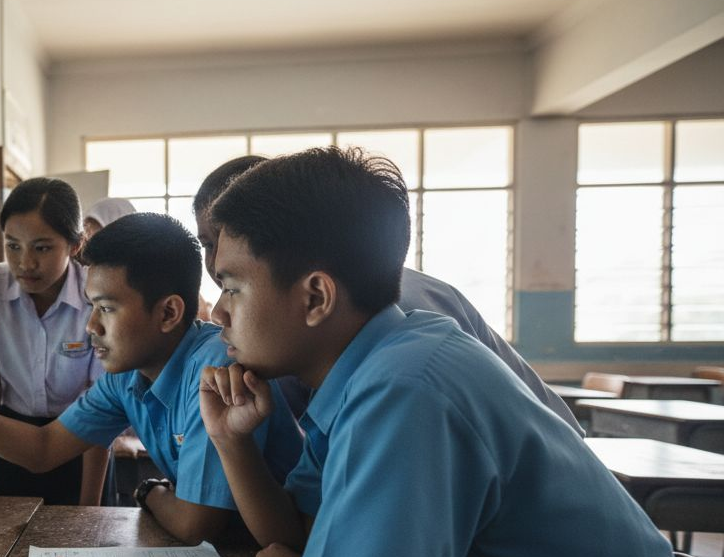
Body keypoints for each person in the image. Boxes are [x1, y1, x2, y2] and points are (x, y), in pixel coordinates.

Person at [199, 147, 724, 557]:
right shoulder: (370, 369)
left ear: (316, 297)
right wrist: (233, 441)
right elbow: (295, 534)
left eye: (232, 287)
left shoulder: (408, 389)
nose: (218, 315)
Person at [0, 212, 304, 544]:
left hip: (275, 554)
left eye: (106, 308)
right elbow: (44, 448)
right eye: (89, 306)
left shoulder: (212, 368)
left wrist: (149, 493)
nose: (90, 327)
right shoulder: (128, 376)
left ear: (169, 313)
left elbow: (196, 523)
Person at [192, 154, 581, 432]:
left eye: (233, 280)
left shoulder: (391, 340)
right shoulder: (301, 332)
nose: (211, 266)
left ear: (315, 297)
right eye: (206, 245)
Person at [0, 177, 108, 505]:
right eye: (13, 245)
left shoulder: (98, 296)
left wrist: (89, 506)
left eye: (42, 247)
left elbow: (102, 408)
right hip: (9, 439)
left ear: (75, 245)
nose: (25, 263)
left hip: (83, 442)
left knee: (83, 548)